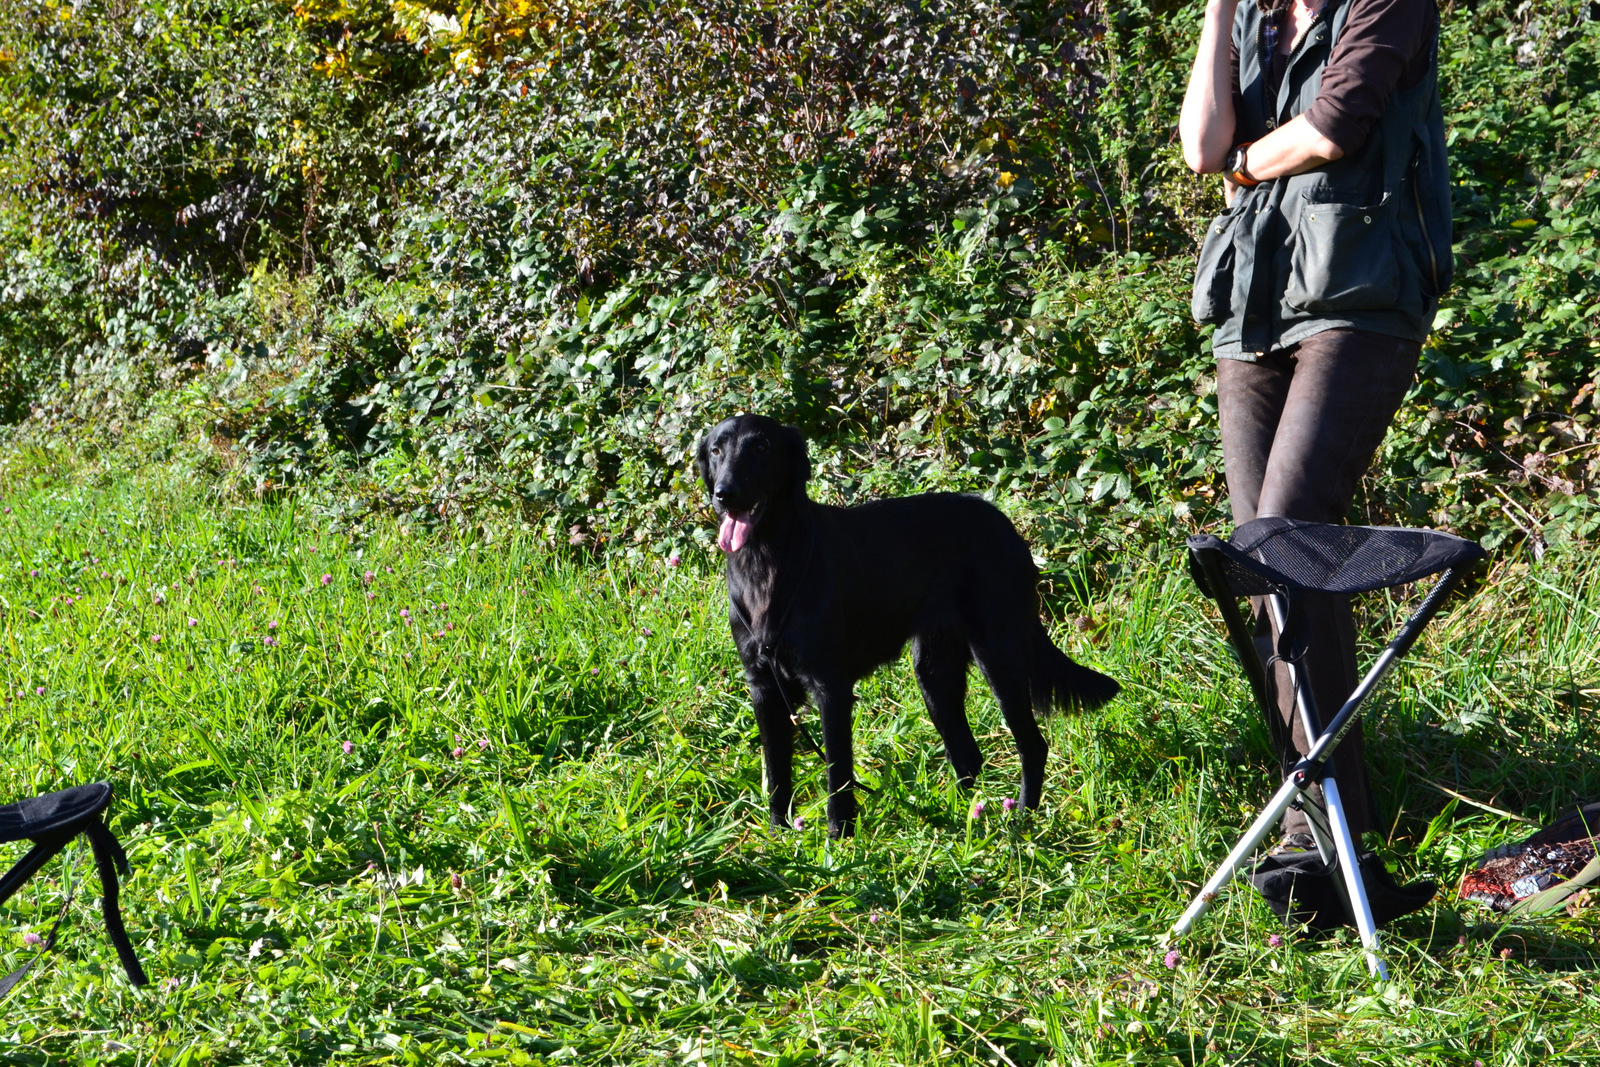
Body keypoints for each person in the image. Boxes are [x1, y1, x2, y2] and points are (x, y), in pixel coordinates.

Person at [1177, 0, 1453, 919]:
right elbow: (1200, 146)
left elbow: (1335, 126)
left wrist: (1251, 163)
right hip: (1255, 303)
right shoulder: (1257, 17)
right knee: (1266, 561)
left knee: (1289, 528)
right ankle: (1334, 831)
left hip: (1360, 294)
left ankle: (1329, 841)